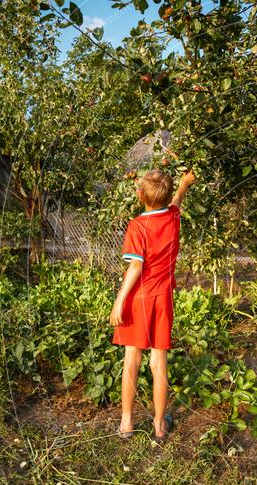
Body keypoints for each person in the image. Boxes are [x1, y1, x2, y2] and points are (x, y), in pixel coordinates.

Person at [109, 166, 195, 441]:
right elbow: (176, 200)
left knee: (131, 357)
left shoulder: (137, 226)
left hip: (138, 298)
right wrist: (185, 184)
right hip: (162, 299)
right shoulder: (172, 218)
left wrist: (119, 301)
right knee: (159, 361)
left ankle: (126, 423)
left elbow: (135, 267)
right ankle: (159, 425)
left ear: (139, 196)